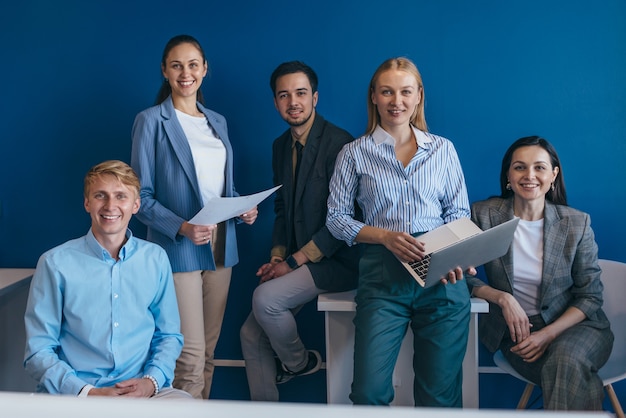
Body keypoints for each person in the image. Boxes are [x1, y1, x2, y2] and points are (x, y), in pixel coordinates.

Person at [326, 57, 472, 407]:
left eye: (406, 91)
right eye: (387, 92)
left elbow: (459, 212)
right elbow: (336, 218)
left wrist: (454, 254)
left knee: (440, 398)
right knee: (368, 392)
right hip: (382, 275)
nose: (397, 101)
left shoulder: (443, 149)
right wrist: (386, 237)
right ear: (373, 97)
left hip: (443, 277)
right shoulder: (354, 153)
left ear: (419, 95)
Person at [130, 34, 258, 399]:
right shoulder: (151, 121)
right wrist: (182, 227)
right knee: (188, 354)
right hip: (178, 246)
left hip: (222, 246)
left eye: (192, 65)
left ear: (204, 70)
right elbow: (142, 196)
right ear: (165, 71)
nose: (185, 73)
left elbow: (222, 189)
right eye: (176, 65)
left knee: (209, 352)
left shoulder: (217, 121)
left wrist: (241, 207)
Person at [239, 61, 359, 401]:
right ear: (276, 102)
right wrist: (277, 256)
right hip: (294, 258)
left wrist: (291, 263)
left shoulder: (341, 144)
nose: (294, 101)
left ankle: (298, 363)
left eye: (301, 93)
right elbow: (281, 210)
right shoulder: (280, 146)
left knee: (265, 299)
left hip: (338, 261)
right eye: (284, 95)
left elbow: (345, 220)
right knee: (250, 335)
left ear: (315, 97)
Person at [467, 136, 614, 410]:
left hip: (578, 326)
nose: (529, 175)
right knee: (569, 373)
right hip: (519, 333)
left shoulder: (576, 223)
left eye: (539, 167)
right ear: (508, 175)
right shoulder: (483, 215)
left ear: (553, 175)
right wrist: (501, 298)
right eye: (520, 167)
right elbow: (457, 272)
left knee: (566, 362)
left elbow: (590, 297)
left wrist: (547, 335)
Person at [24, 160, 190, 399]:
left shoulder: (156, 259)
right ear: (87, 203)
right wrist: (87, 392)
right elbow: (38, 350)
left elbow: (169, 336)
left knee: (186, 407)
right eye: (101, 195)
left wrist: (150, 383)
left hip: (143, 391)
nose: (110, 205)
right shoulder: (55, 263)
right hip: (74, 394)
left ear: (136, 205)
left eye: (121, 196)